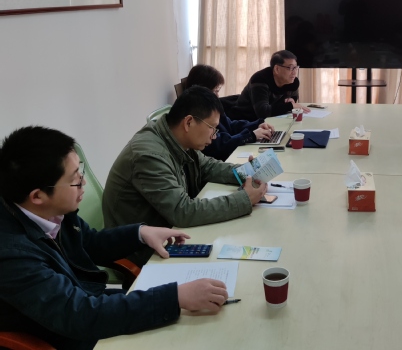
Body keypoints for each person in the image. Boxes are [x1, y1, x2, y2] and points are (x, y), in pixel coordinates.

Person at [0, 126, 230, 350]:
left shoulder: (51, 210)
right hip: (67, 331)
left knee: (202, 324)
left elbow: (89, 243)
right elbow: (79, 314)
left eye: (80, 171)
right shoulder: (11, 255)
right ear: (38, 196)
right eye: (74, 179)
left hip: (87, 302)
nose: (83, 182)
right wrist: (175, 297)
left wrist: (141, 233)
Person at [103, 86, 267, 265]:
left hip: (169, 233)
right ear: (188, 122)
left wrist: (249, 171)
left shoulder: (176, 137)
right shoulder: (149, 155)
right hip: (142, 250)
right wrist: (244, 200)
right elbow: (182, 211)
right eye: (212, 128)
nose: (214, 136)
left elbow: (209, 167)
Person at [184, 64, 275, 161]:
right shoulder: (197, 115)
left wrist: (256, 125)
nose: (217, 96)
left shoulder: (212, 107)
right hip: (222, 158)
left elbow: (230, 125)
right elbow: (219, 144)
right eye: (215, 91)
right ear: (202, 91)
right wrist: (251, 136)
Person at [225, 50, 310, 121]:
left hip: (270, 121)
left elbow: (293, 98)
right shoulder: (260, 80)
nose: (294, 72)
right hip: (244, 121)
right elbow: (263, 113)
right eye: (290, 68)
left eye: (296, 67)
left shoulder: (293, 81)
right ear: (277, 69)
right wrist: (290, 106)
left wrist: (291, 101)